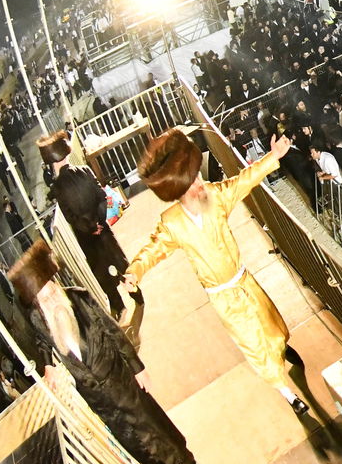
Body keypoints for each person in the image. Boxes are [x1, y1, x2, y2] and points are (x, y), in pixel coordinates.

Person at [125, 129, 310, 415]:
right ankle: (288, 394)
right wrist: (135, 272)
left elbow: (243, 181)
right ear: (179, 188)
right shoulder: (172, 223)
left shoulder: (215, 197)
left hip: (245, 281)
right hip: (223, 298)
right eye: (193, 180)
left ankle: (282, 347)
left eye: (198, 176)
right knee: (254, 346)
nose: (200, 182)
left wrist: (273, 157)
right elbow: (153, 250)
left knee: (272, 325)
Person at [9, 241, 206, 464]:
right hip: (99, 398)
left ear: (56, 286)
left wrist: (138, 367)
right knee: (135, 442)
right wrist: (47, 365)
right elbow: (41, 341)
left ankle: (188, 460)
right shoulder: (40, 320)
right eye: (42, 300)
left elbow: (114, 332)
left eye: (50, 293)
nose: (50, 302)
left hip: (119, 379)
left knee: (153, 424)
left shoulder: (79, 298)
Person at [39, 130, 134, 318]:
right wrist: (99, 221)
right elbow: (102, 196)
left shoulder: (57, 188)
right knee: (120, 261)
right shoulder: (84, 170)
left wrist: (90, 228)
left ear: (52, 162)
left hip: (87, 238)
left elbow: (70, 217)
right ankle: (136, 292)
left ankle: (119, 305)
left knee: (102, 273)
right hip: (103, 228)